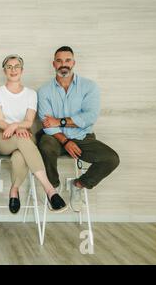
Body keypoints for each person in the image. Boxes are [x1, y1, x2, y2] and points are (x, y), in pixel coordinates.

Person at [37, 46, 120, 212]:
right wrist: (65, 140)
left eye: (67, 60)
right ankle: (53, 188)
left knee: (111, 159)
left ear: (73, 62)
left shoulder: (89, 87)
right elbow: (47, 124)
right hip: (55, 138)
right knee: (45, 144)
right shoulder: (44, 90)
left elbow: (89, 117)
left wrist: (59, 121)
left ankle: (78, 185)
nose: (63, 64)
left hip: (82, 137)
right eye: (59, 61)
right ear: (54, 64)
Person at [0, 54, 67, 214]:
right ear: (4, 71)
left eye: (16, 66)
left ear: (22, 70)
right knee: (21, 140)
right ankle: (49, 190)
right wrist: (13, 127)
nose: (13, 70)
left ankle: (14, 191)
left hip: (24, 134)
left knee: (19, 155)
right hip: (2, 136)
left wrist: (17, 126)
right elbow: (0, 120)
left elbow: (29, 121)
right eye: (9, 67)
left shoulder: (31, 94)